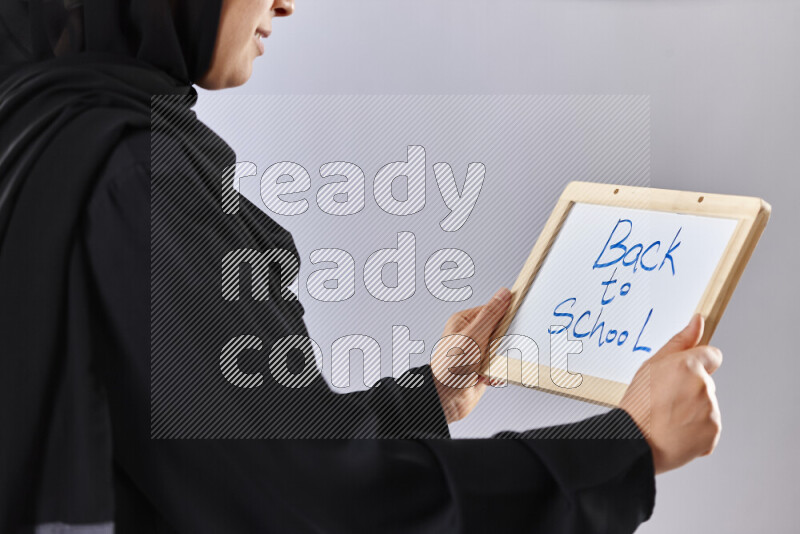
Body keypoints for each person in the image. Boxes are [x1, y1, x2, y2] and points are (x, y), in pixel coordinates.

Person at [0, 1, 723, 532]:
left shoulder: (39, 139)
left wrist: (432, 395)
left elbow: (218, 452)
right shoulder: (137, 174)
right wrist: (630, 446)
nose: (286, 3)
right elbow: (322, 507)